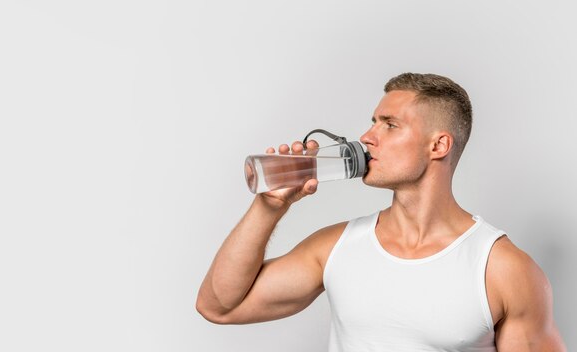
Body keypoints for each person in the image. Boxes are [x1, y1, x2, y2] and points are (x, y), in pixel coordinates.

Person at [196, 73, 566, 351]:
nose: (368, 137)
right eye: (374, 122)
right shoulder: (336, 247)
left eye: (390, 125)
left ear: (438, 145)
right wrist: (269, 207)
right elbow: (218, 306)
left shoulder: (503, 269)